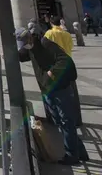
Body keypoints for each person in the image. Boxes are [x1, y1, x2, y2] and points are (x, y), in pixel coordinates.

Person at [17, 23, 88, 165]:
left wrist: (52, 73)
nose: (25, 47)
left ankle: (72, 155)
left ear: (30, 38)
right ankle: (80, 151)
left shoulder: (45, 44)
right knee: (62, 122)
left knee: (66, 121)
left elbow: (65, 60)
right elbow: (22, 56)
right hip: (48, 90)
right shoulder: (30, 48)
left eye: (25, 43)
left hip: (60, 88)